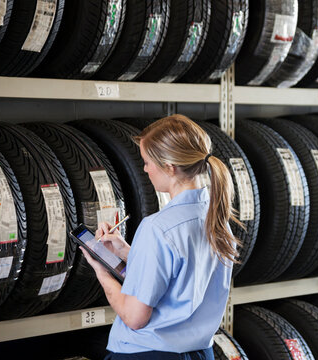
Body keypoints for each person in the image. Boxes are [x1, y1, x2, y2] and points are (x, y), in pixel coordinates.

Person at [81, 114, 241, 360]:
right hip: (200, 353)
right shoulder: (217, 221)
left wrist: (101, 271)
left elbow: (134, 317)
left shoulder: (157, 228)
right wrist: (127, 251)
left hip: (148, 353)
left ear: (169, 167)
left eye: (147, 162)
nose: (145, 169)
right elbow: (182, 273)